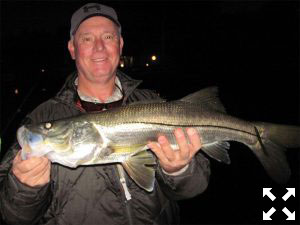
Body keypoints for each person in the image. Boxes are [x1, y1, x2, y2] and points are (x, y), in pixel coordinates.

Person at [0, 3, 210, 225]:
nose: (99, 47)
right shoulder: (40, 117)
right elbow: (13, 216)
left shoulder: (154, 103)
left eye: (108, 37)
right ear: (72, 48)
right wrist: (24, 187)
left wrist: (179, 170)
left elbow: (193, 189)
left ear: (119, 45)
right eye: (87, 39)